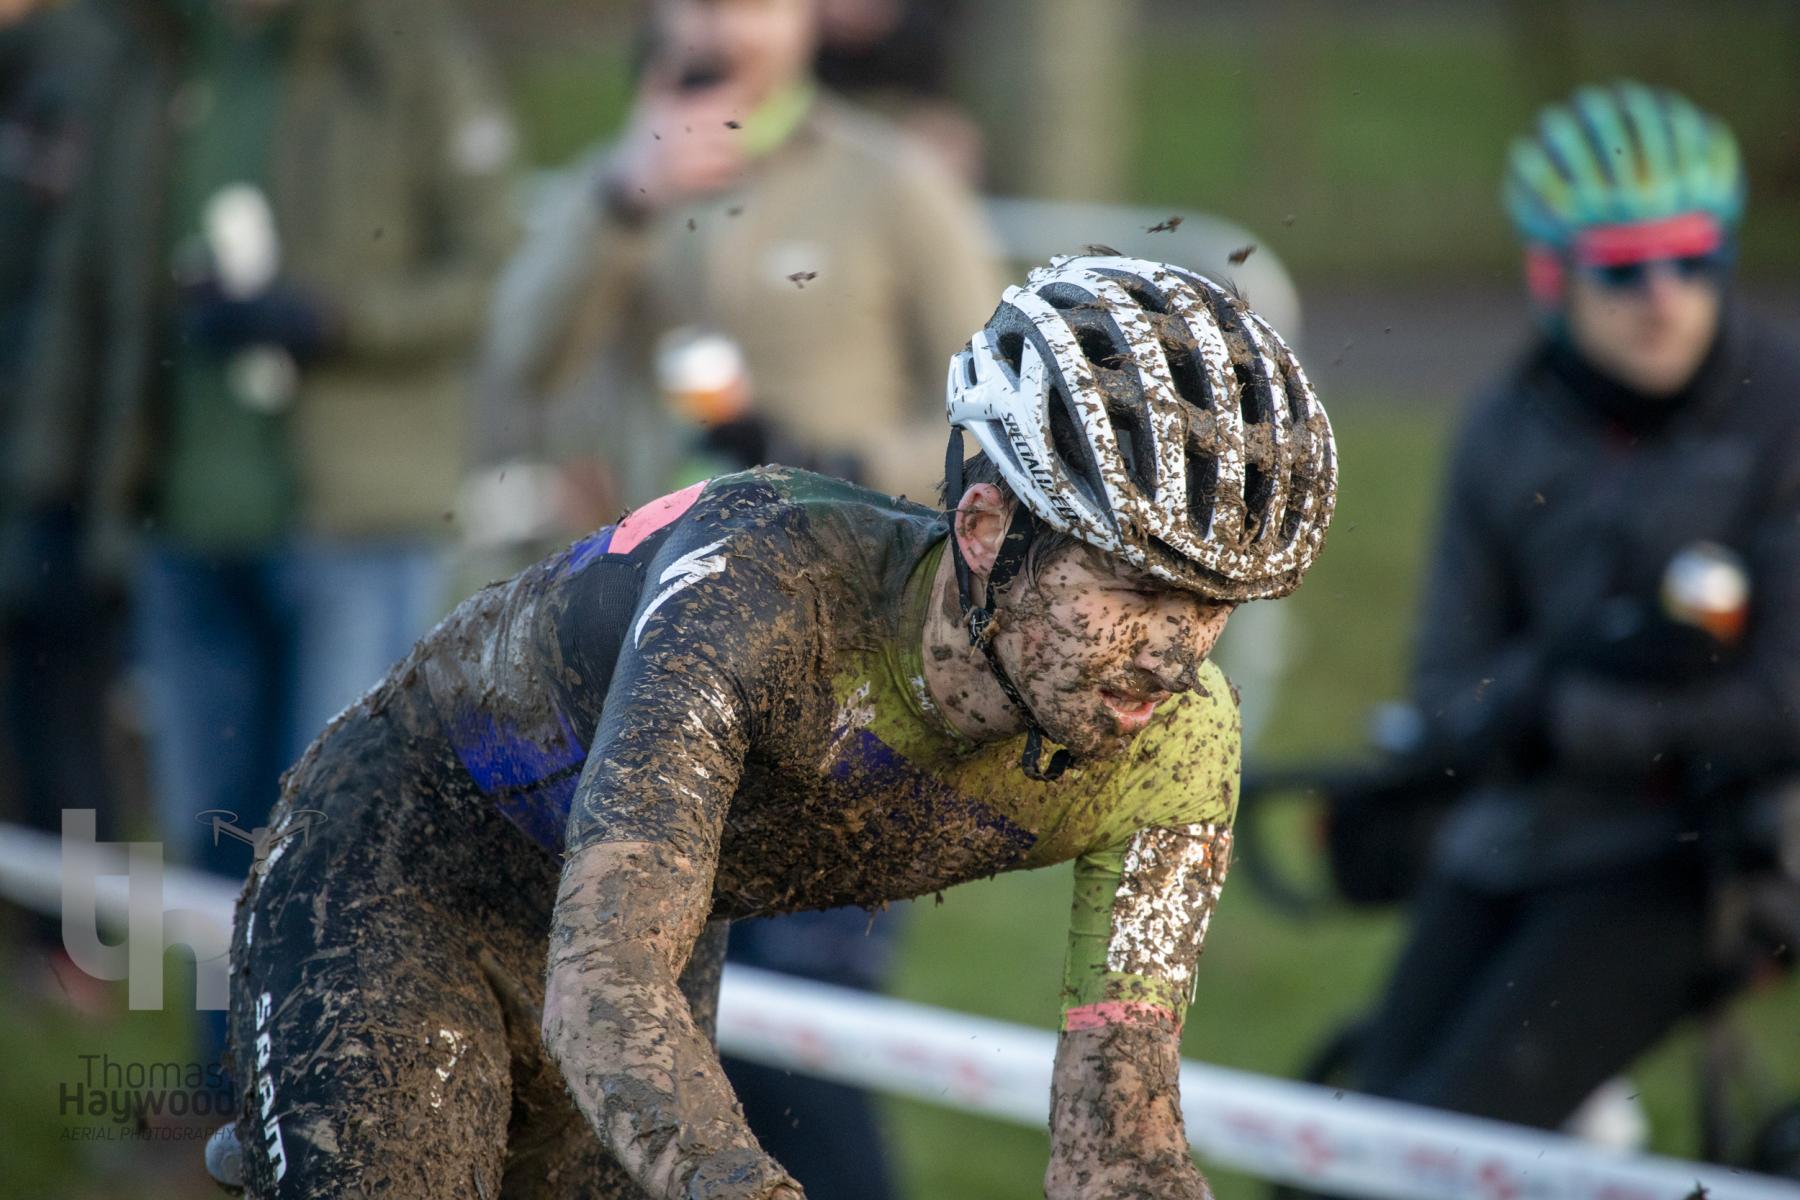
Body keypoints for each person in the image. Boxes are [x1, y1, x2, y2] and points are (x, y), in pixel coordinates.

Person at [206, 254, 1338, 1199]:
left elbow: (1120, 1136)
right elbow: (606, 988)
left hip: (654, 917)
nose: (1173, 652)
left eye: (1212, 609)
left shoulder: (1181, 742)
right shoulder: (763, 588)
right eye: (1134, 594)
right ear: (988, 530)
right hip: (410, 863)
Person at [1343, 83, 1800, 1137]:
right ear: (1551, 276)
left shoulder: (1780, 411)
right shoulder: (1502, 428)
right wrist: (1570, 676)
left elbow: (1782, 698)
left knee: (1456, 1134)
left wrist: (1567, 712)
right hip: (1514, 835)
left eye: (1695, 260)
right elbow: (1450, 684)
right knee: (1365, 1136)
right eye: (1624, 268)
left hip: (1697, 859)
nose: (1665, 296)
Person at [479, 0, 1001, 521]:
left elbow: (995, 405)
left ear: (808, 16)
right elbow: (524, 360)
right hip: (650, 563)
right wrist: (624, 200)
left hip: (841, 559)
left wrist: (843, 470)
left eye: (756, 8)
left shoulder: (897, 182)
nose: (727, 32)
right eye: (704, 7)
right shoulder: (614, 183)